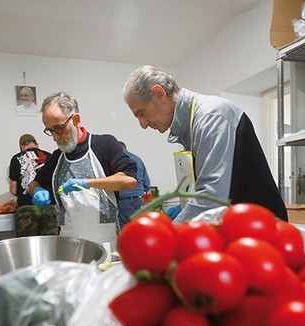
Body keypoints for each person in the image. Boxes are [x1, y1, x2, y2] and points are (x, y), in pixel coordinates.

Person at [122, 65, 288, 222]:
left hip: (263, 229)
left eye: (141, 113)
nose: (143, 124)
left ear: (159, 94)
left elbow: (212, 199)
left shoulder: (212, 117)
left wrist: (168, 235)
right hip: (239, 225)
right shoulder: (192, 125)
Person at [28, 92, 137, 250]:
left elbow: (129, 181)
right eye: (50, 130)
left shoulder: (105, 145)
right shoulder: (57, 157)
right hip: (69, 243)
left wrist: (87, 183)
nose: (55, 137)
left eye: (59, 128)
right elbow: (33, 184)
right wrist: (37, 190)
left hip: (105, 244)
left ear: (76, 120)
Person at [8, 133, 59, 236]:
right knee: (49, 246)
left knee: (26, 247)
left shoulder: (16, 158)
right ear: (37, 144)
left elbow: (13, 190)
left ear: (21, 147)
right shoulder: (50, 156)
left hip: (26, 208)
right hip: (47, 207)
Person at [117, 140, 151, 228]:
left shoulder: (115, 160)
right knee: (138, 228)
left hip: (120, 202)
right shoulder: (138, 159)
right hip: (137, 201)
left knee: (123, 230)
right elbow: (147, 184)